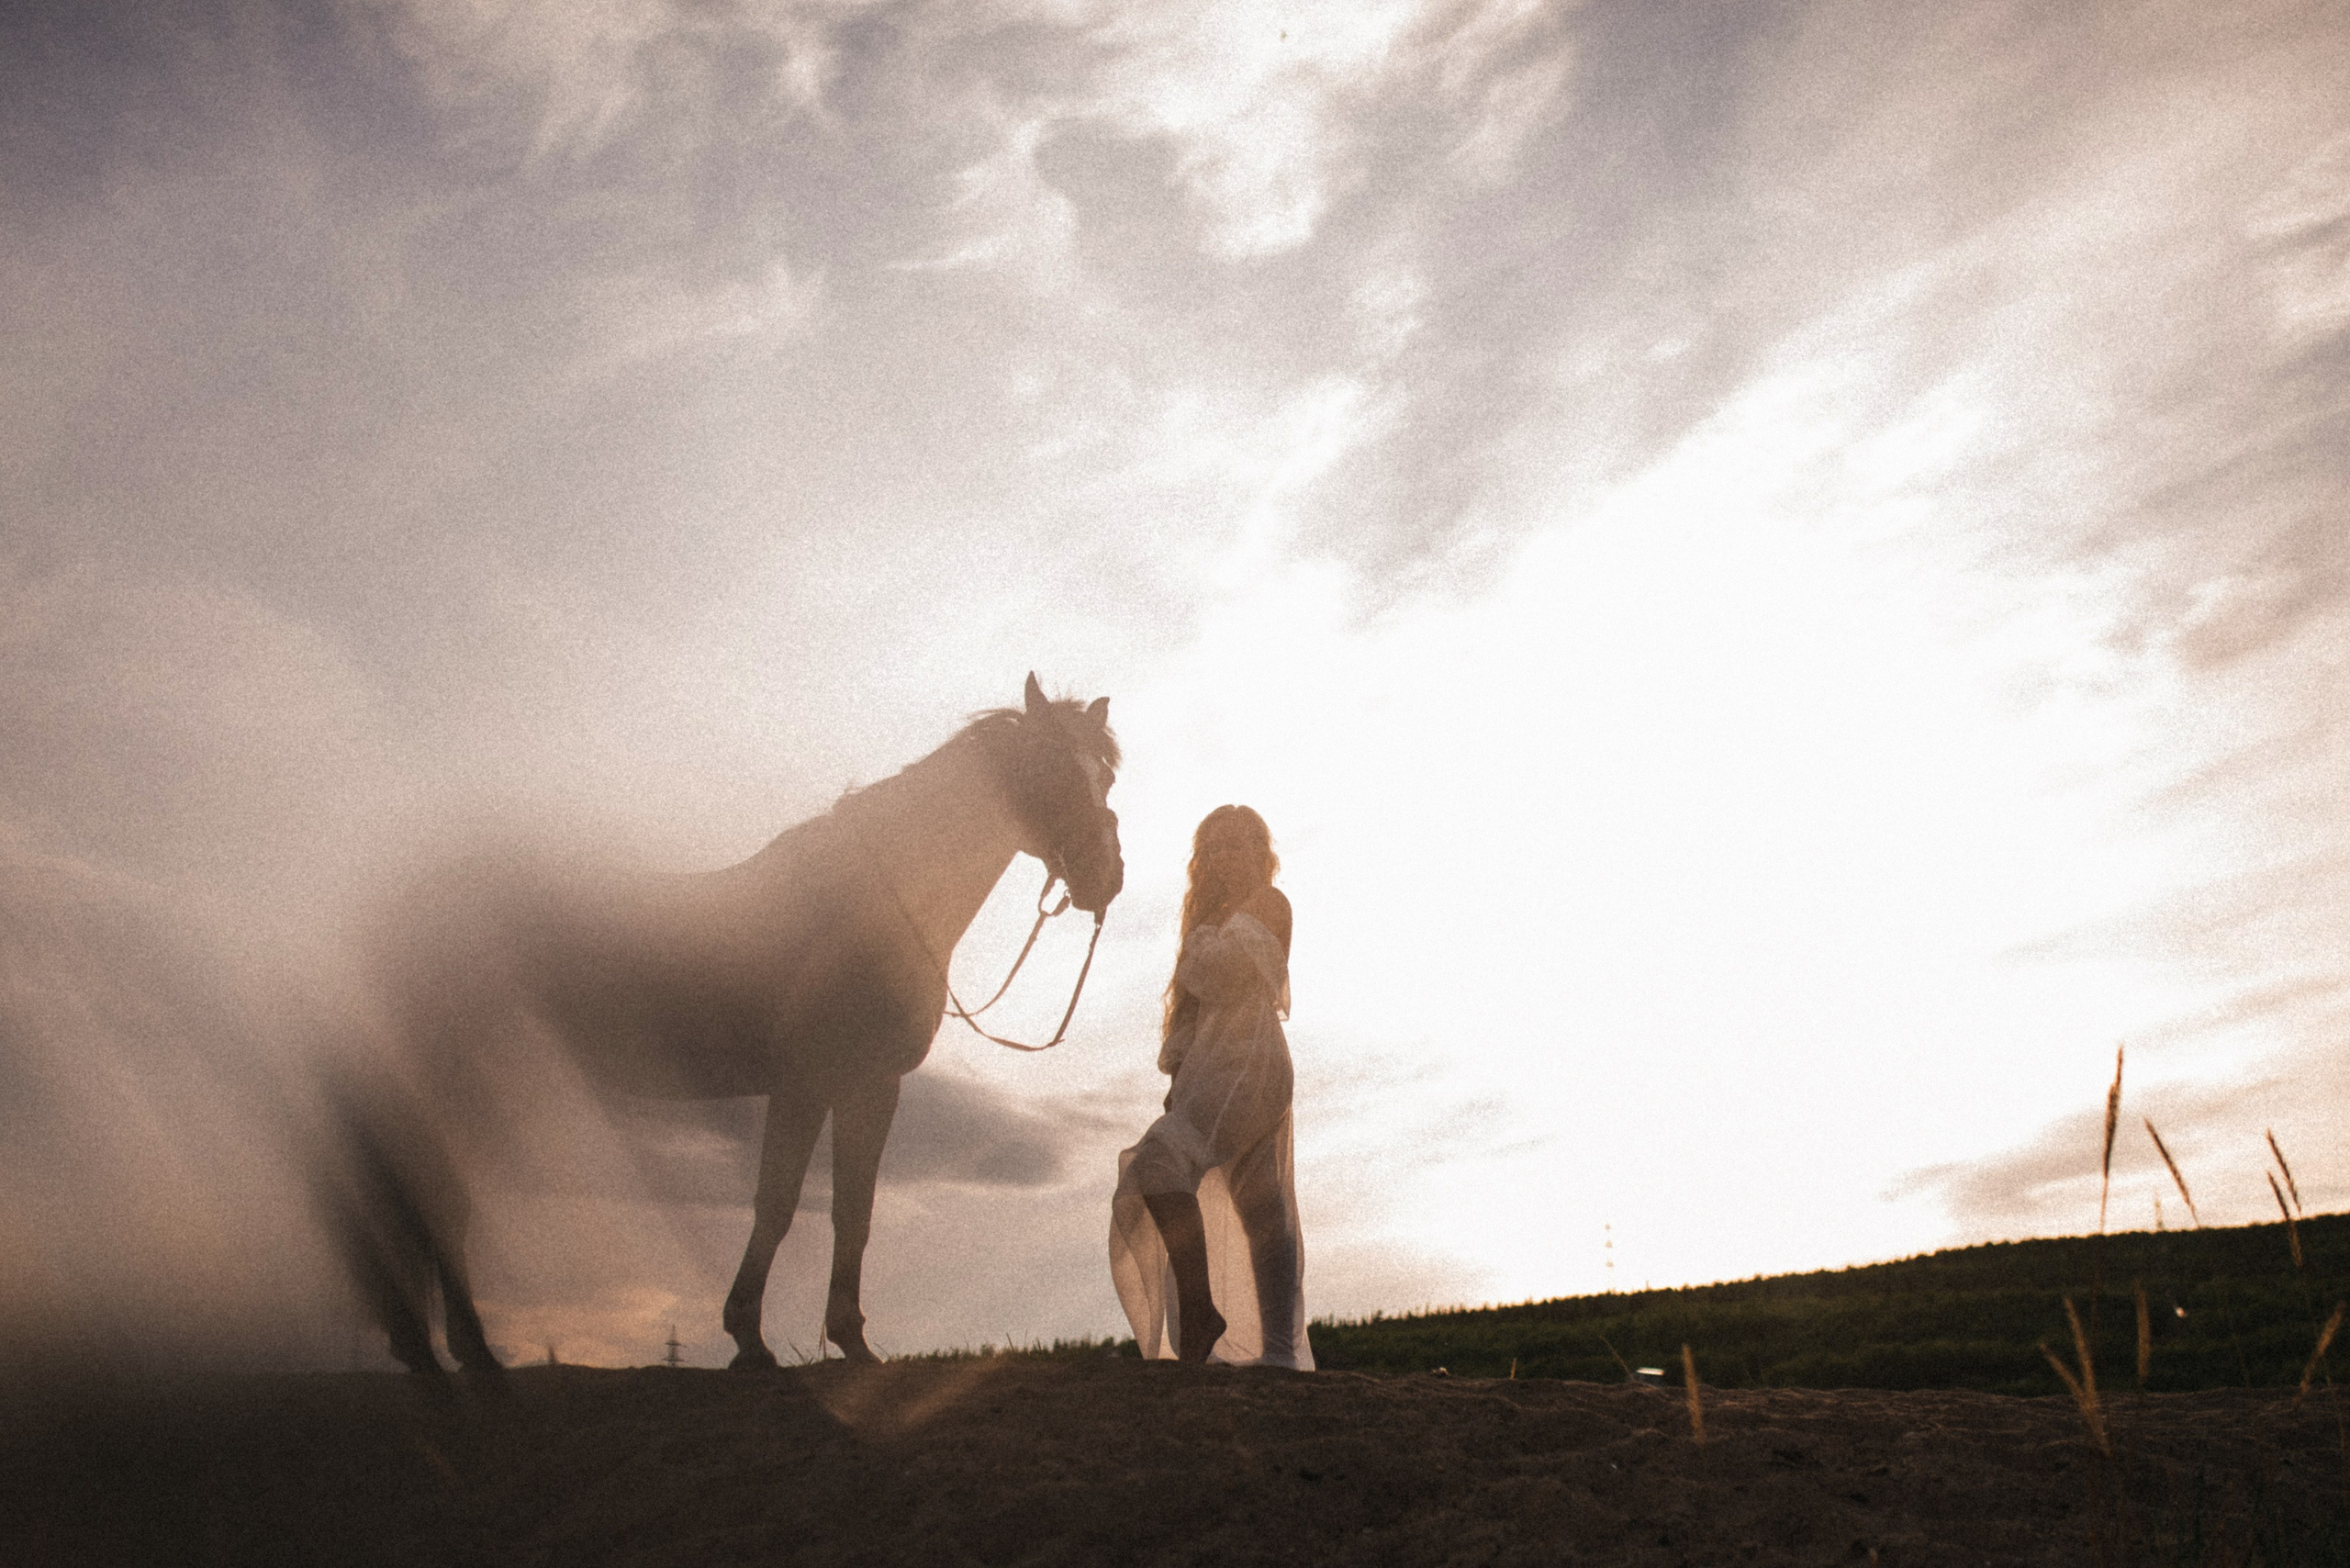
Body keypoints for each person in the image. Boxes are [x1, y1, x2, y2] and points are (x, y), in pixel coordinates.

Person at [1109, 805, 1313, 1368]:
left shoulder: (1270, 904)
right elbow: (1191, 1016)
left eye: (1235, 846)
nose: (1223, 858)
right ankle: (1275, 1354)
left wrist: (1198, 947)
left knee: (1160, 1162)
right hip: (1211, 1066)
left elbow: (1225, 977)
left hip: (1249, 1059)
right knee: (1260, 1200)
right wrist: (1180, 1076)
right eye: (1213, 849)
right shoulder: (1214, 916)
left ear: (1259, 850)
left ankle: (1206, 1314)